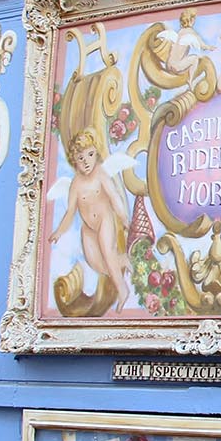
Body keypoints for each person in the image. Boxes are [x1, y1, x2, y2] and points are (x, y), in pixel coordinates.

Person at [50, 128, 132, 308]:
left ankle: (123, 291)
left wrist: (123, 217)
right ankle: (122, 260)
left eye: (90, 154)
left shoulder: (100, 174)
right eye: (80, 158)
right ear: (74, 161)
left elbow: (114, 197)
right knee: (97, 264)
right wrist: (58, 232)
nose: (86, 161)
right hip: (88, 228)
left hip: (104, 220)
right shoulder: (76, 184)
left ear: (96, 153)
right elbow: (70, 212)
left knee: (107, 252)